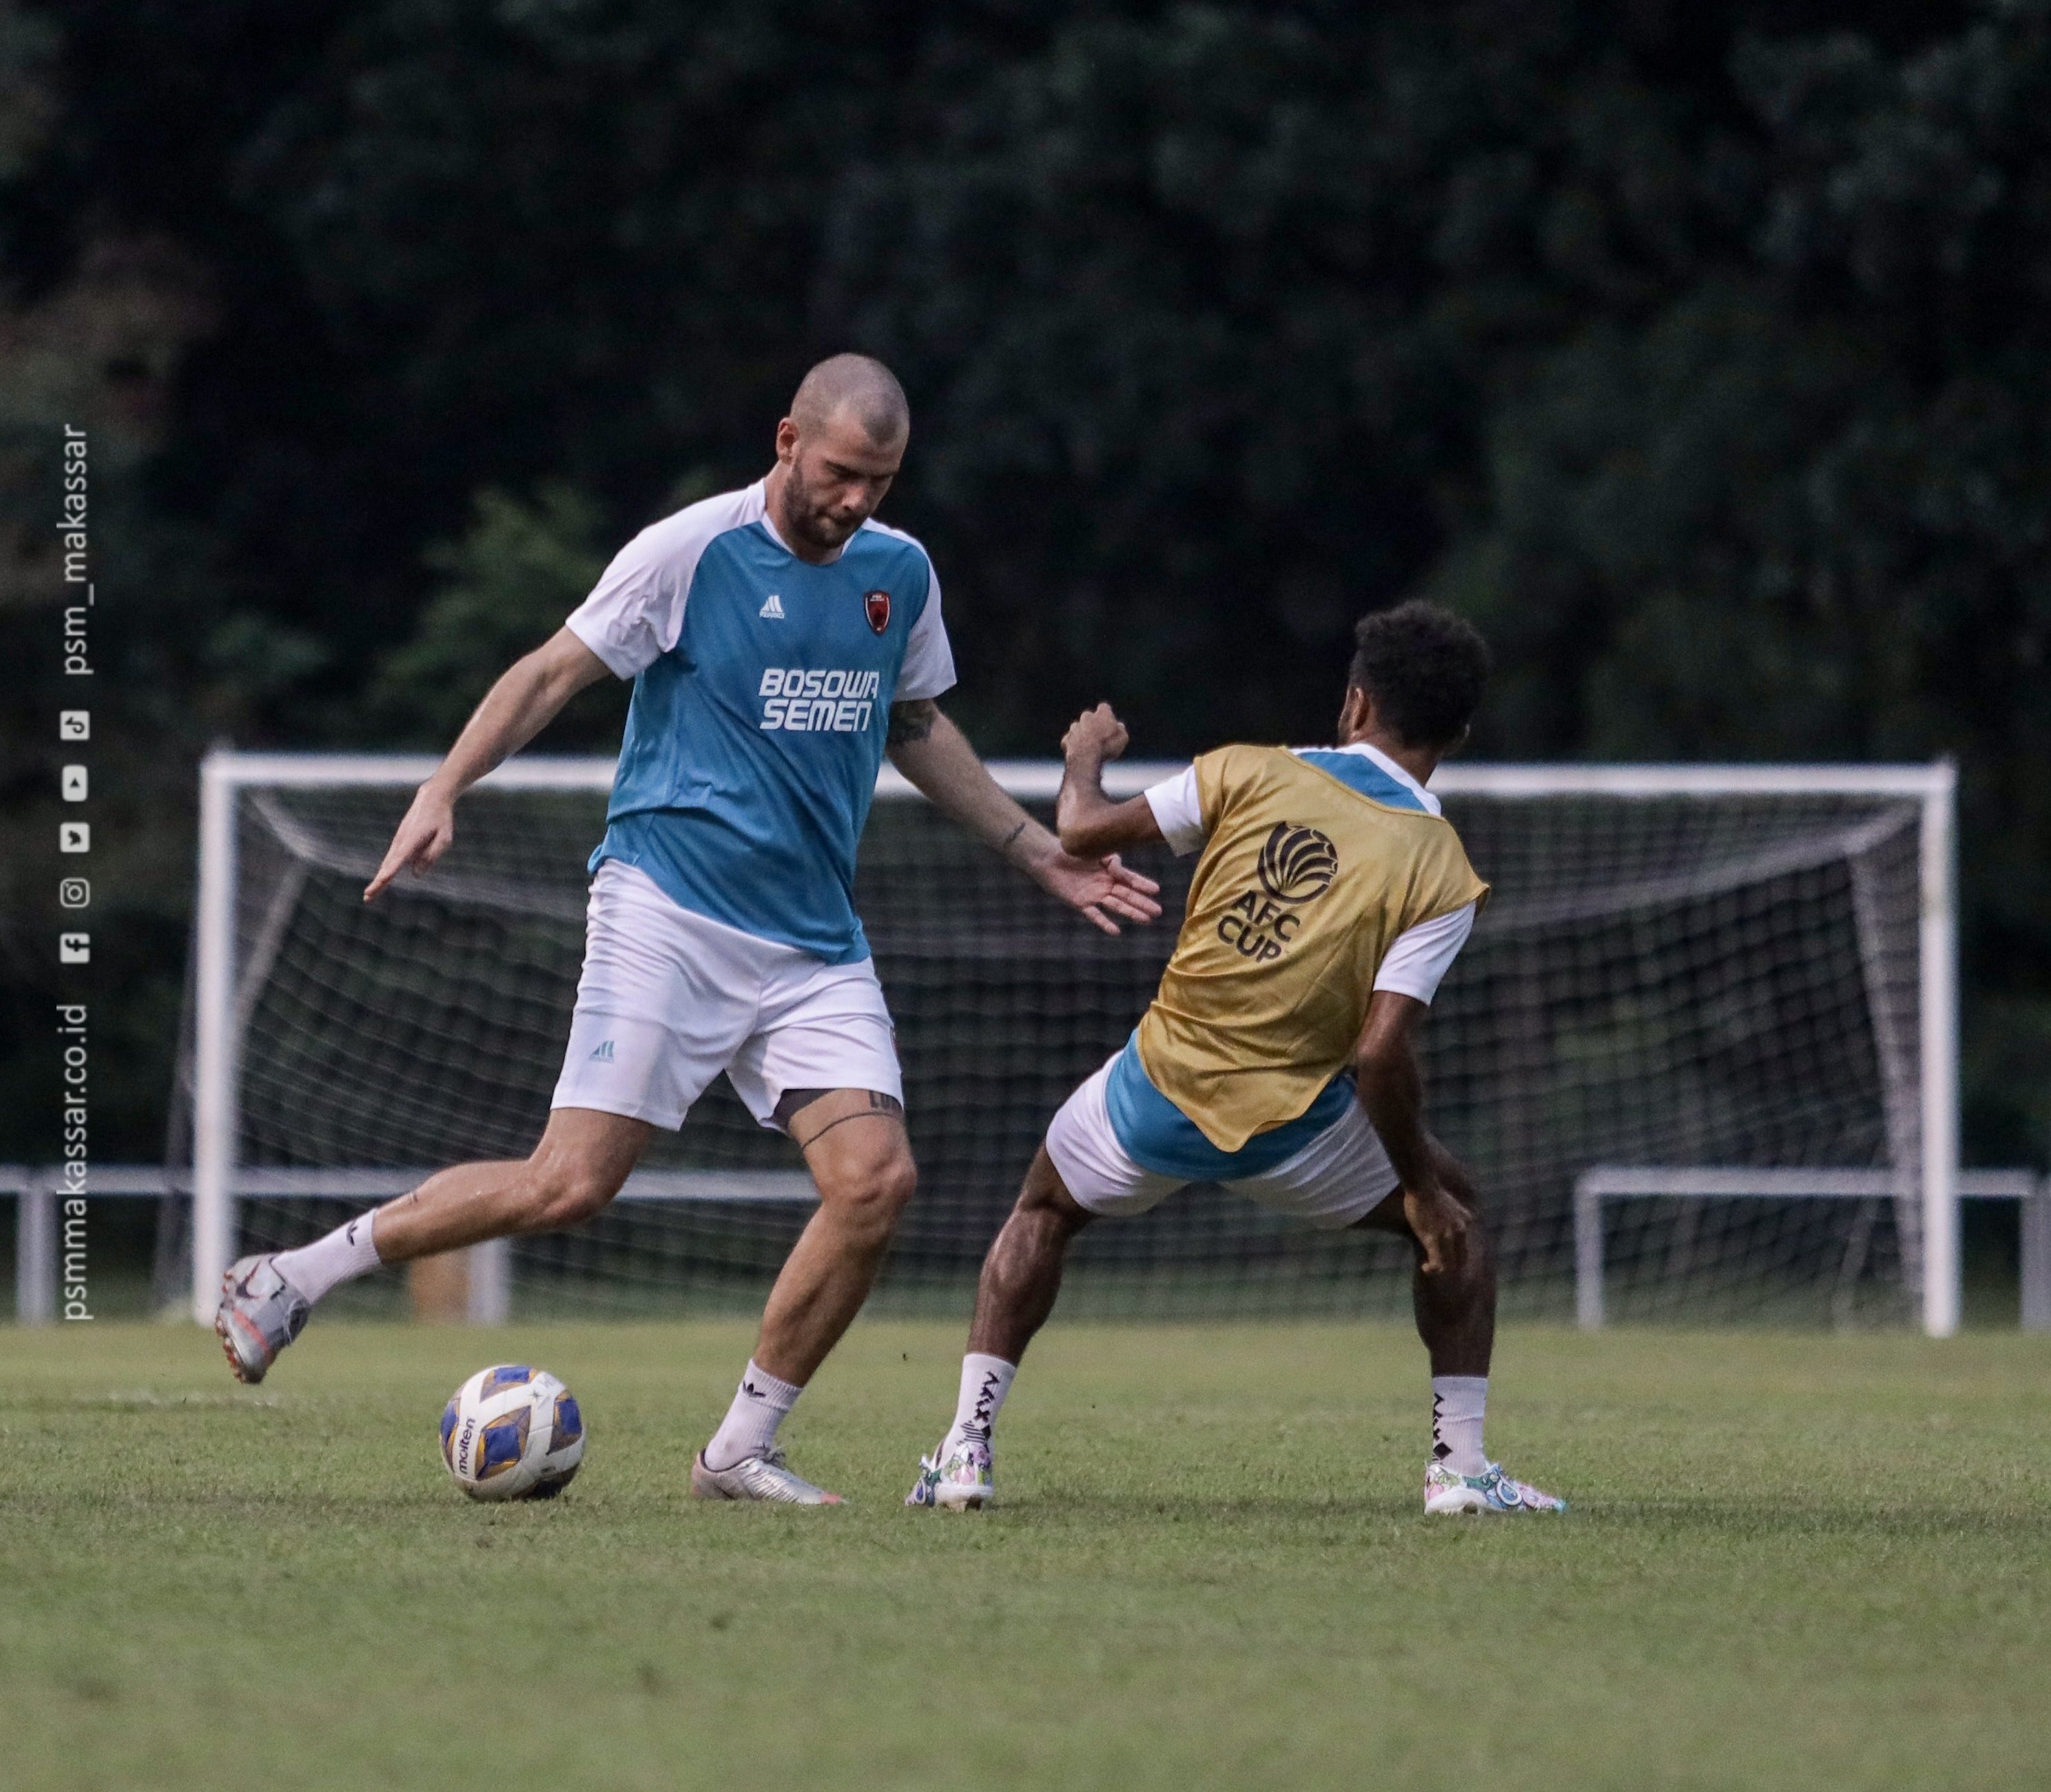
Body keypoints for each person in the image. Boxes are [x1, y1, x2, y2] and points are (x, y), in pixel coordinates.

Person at [214, 353, 1162, 1504]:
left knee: (876, 1182)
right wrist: (443, 784)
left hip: (812, 939)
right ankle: (293, 1274)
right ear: (785, 440)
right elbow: (552, 671)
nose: (858, 499)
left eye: (883, 480)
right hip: (665, 909)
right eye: (841, 472)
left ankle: (736, 1451)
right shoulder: (689, 550)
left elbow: (913, 722)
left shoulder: (898, 574)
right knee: (569, 1184)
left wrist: (1034, 852)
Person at [906, 600, 1565, 1517]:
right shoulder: (1441, 868)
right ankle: (1458, 1468)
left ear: (1354, 703)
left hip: (1154, 1091)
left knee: (1043, 1208)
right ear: (1455, 731)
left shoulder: (1249, 770)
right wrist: (1419, 1184)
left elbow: (1082, 832)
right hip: (1294, 1131)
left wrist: (1082, 756)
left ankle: (964, 1450)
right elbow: (1380, 1054)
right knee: (1456, 1217)